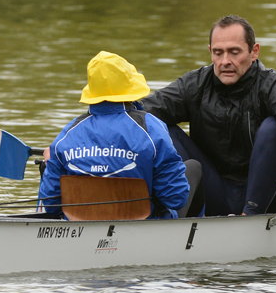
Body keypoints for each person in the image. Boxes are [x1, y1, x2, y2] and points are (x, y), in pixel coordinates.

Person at [141, 14, 276, 216]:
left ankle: (250, 216)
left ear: (254, 51)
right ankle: (168, 209)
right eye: (218, 53)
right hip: (215, 192)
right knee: (160, 126)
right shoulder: (194, 85)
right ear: (210, 52)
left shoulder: (274, 85)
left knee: (275, 126)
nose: (225, 61)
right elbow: (139, 111)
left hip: (270, 196)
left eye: (234, 52)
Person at [38, 51, 191, 219]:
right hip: (144, 229)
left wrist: (50, 162)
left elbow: (51, 205)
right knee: (194, 168)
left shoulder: (66, 135)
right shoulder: (152, 129)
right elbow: (176, 197)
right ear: (130, 90)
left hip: (81, 229)